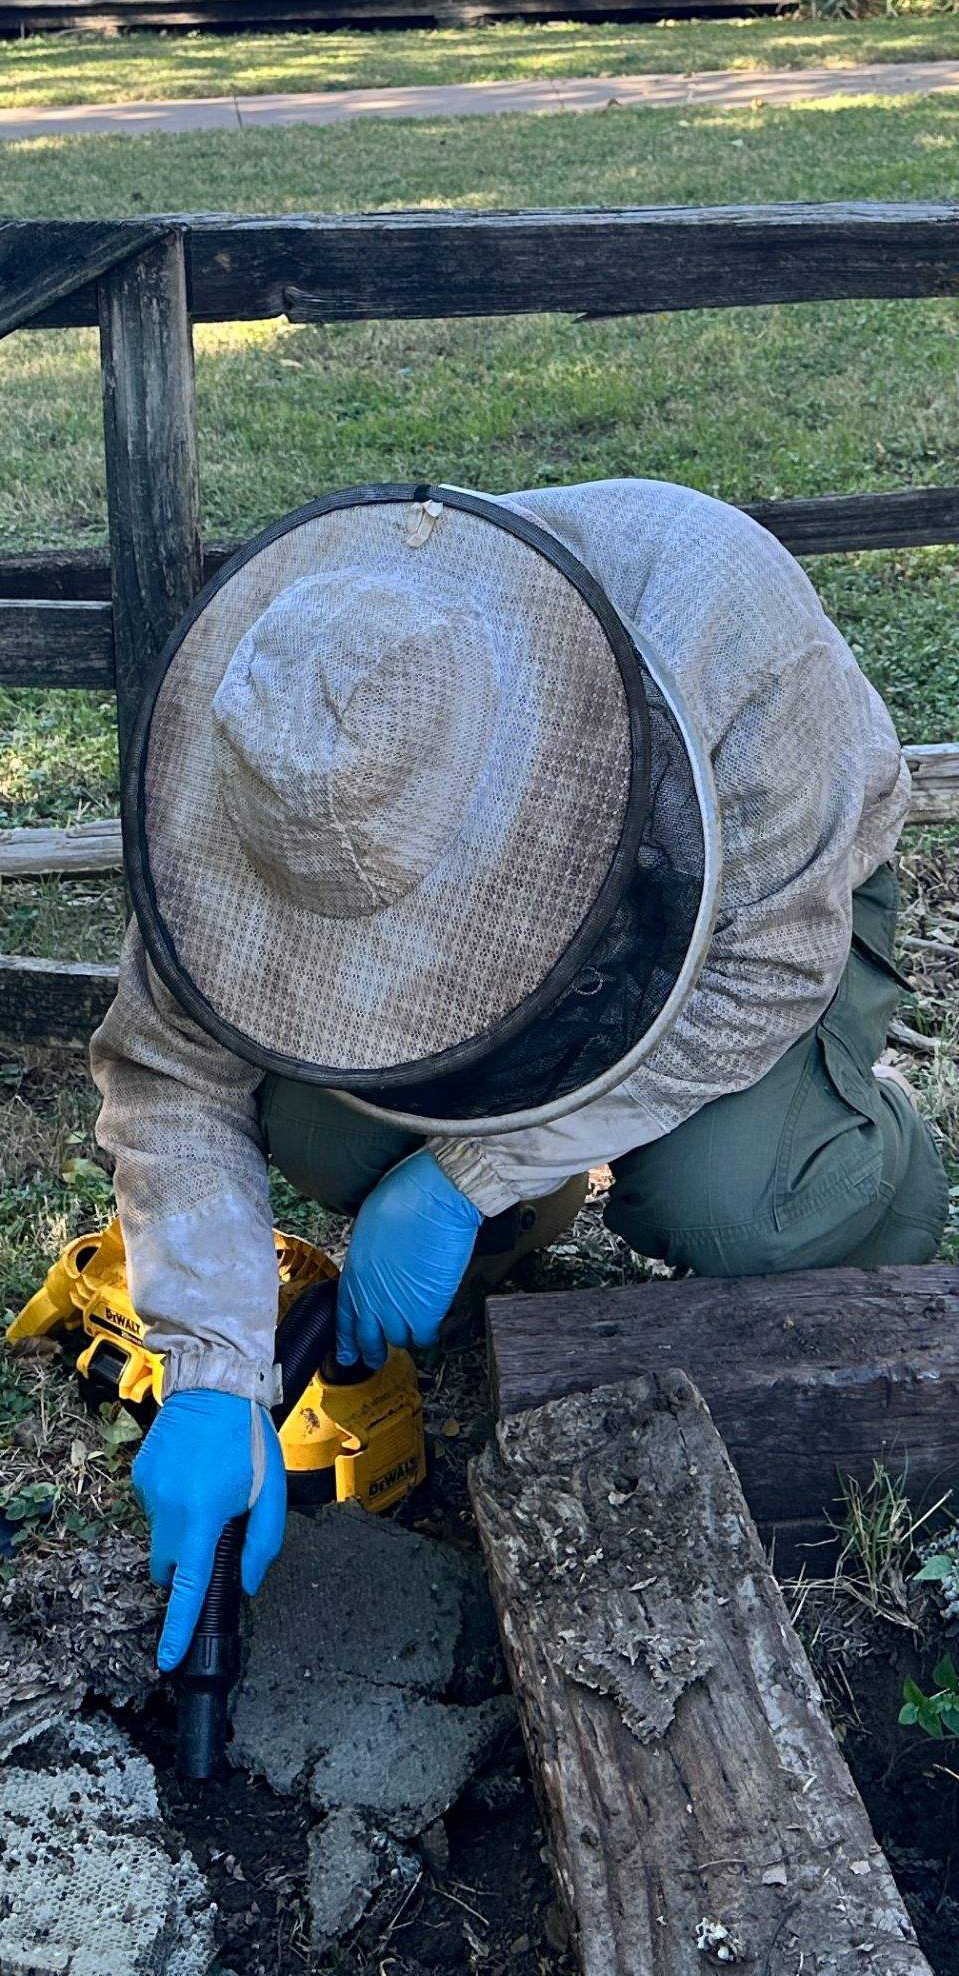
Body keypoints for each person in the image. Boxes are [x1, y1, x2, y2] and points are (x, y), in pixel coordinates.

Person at [92, 478, 947, 1668]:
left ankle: (871, 1171)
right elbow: (171, 1075)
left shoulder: (726, 623)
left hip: (763, 936)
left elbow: (763, 976)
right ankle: (505, 1236)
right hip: (586, 984)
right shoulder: (266, 736)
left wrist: (465, 1169)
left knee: (721, 1201)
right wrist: (211, 1375)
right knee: (325, 1127)